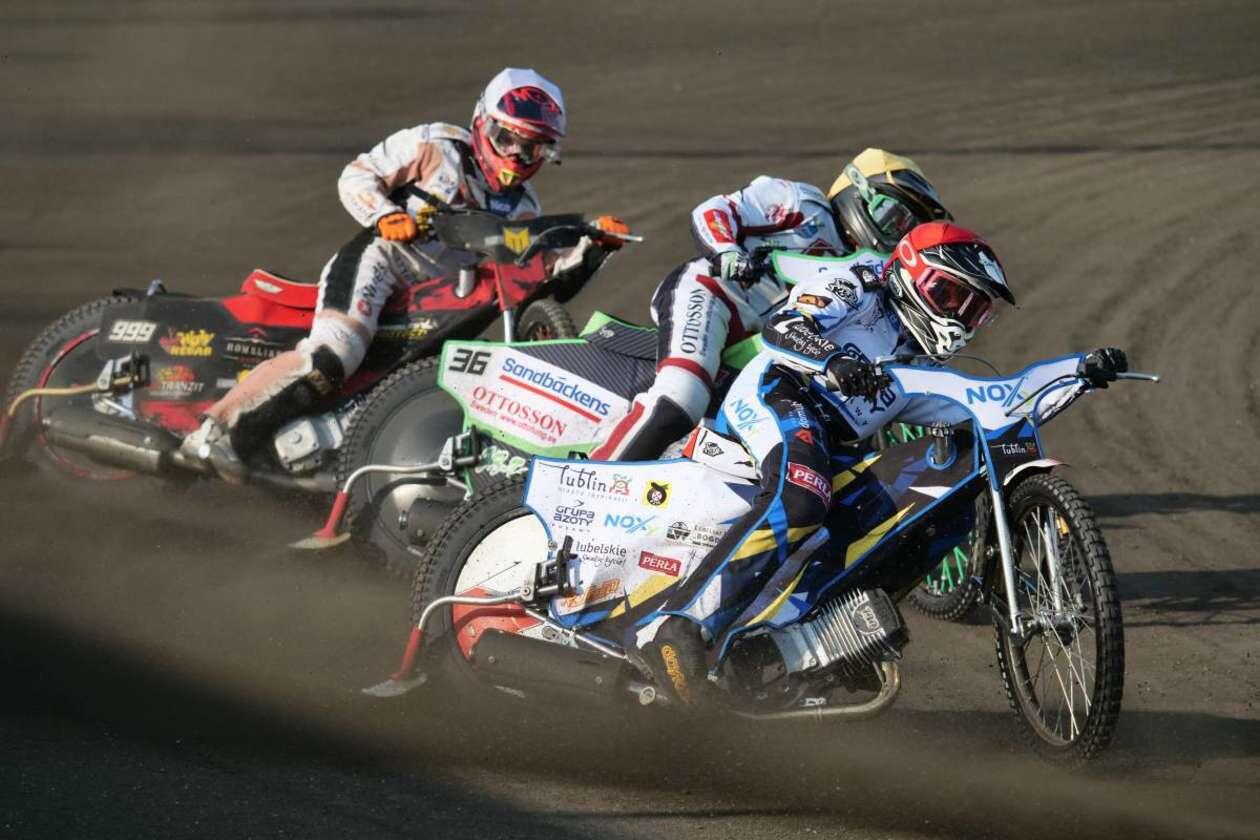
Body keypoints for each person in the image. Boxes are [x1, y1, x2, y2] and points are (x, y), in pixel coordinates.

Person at [637, 221, 1127, 703]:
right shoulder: (857, 282)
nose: (960, 318)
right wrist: (833, 360)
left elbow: (1000, 399)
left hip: (832, 438)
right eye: (952, 297)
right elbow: (783, 326)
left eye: (975, 310)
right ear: (913, 272)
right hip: (778, 390)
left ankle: (818, 640)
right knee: (804, 496)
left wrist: (1080, 370)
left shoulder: (920, 361)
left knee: (936, 514)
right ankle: (679, 626)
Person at [183, 67, 626, 479]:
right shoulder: (436, 146)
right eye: (506, 139)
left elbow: (536, 281)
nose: (516, 155)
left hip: (440, 299)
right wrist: (384, 214)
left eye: (532, 147)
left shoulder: (526, 208)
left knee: (422, 384)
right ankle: (216, 432)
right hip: (383, 262)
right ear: (482, 123)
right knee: (335, 353)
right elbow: (357, 175)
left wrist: (592, 247)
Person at [590, 148, 951, 461]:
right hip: (714, 293)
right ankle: (596, 478)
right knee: (682, 398)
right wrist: (726, 252)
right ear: (860, 193)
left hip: (765, 342)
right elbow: (714, 210)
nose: (898, 234)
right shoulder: (802, 204)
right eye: (895, 217)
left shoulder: (873, 277)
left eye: (909, 230)